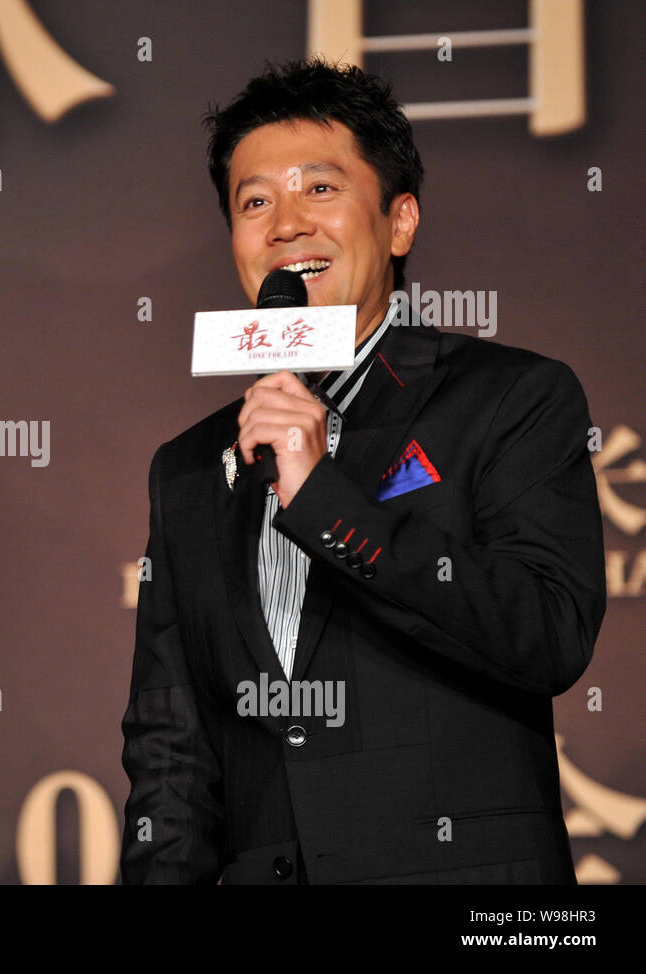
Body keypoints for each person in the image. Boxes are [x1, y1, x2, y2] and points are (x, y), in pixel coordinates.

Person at [120, 58, 605, 884]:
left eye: (320, 189)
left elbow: (548, 634)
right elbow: (172, 743)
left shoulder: (513, 398)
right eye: (255, 201)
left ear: (400, 222)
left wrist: (327, 501)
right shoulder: (191, 468)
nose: (285, 224)